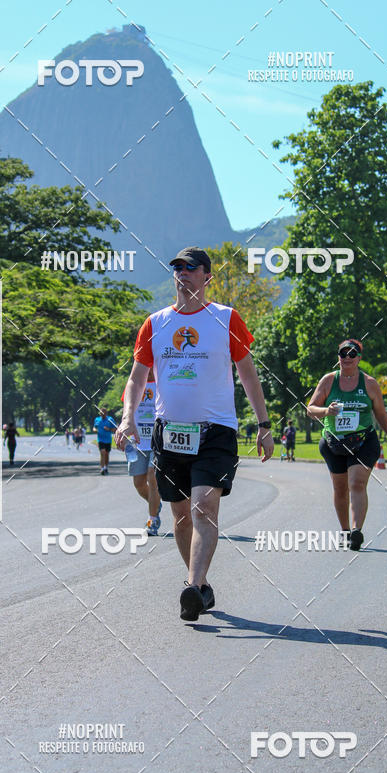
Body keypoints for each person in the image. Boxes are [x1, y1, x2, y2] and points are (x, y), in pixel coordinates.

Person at [115, 246, 274, 621]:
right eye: (177, 268)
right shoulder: (155, 323)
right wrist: (127, 418)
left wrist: (264, 424)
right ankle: (200, 587)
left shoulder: (225, 319)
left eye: (190, 268)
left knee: (204, 506)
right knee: (182, 516)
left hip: (216, 431)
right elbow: (137, 378)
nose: (182, 273)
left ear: (207, 276)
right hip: (169, 432)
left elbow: (248, 375)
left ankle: (191, 587)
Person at [307, 338, 387, 551]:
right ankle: (344, 530)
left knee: (357, 483)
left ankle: (356, 531)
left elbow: (380, 414)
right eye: (343, 354)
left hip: (363, 441)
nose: (347, 358)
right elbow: (311, 408)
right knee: (340, 487)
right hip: (334, 442)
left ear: (359, 358)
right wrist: (326, 411)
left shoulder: (369, 384)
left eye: (352, 354)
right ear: (339, 357)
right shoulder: (328, 381)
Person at [123, 369, 162, 535]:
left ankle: (152, 521)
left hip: (158, 441)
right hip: (137, 441)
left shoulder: (162, 384)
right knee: (139, 484)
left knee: (152, 476)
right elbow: (127, 411)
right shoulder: (134, 384)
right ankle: (155, 504)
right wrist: (123, 430)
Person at [93, 407, 116, 474]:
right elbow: (94, 427)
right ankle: (102, 468)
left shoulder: (110, 419)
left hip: (108, 440)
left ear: (106, 413)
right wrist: (94, 430)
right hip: (100, 439)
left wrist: (108, 429)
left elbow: (114, 429)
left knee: (106, 454)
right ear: (100, 413)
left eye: (104, 413)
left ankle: (106, 467)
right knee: (102, 452)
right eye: (101, 413)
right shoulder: (97, 419)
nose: (102, 415)